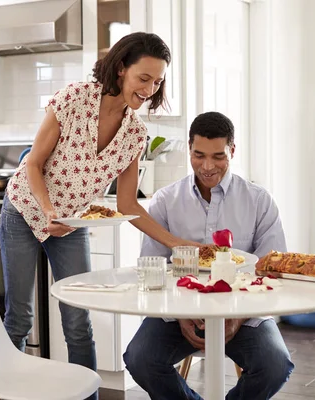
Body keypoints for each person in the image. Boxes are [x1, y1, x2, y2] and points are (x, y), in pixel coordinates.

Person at [0, 32, 200, 400]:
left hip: (72, 223)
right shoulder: (75, 99)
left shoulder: (134, 134)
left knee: (79, 320)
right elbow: (34, 162)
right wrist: (48, 211)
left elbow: (128, 205)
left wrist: (177, 242)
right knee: (20, 317)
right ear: (121, 69)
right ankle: (5, 393)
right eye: (144, 79)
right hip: (25, 211)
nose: (149, 89)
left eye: (157, 82)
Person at [123, 111, 294, 400]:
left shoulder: (259, 201)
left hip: (243, 316)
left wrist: (237, 319)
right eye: (199, 155)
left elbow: (269, 270)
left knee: (275, 364)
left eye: (218, 156)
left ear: (233, 151)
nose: (207, 166)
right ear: (189, 149)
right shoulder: (165, 201)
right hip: (178, 315)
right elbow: (154, 269)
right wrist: (181, 317)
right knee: (140, 358)